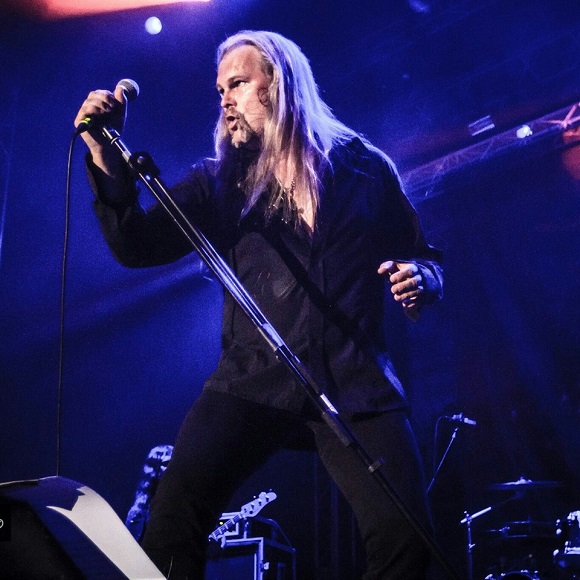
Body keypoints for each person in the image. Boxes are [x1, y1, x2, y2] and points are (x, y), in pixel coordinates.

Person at [74, 30, 444, 579]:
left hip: (354, 382)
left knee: (407, 540)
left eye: (238, 84)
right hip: (253, 380)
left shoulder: (365, 169)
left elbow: (423, 255)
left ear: (281, 84)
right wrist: (105, 155)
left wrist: (422, 277)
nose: (224, 99)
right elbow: (137, 246)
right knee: (173, 518)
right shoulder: (219, 181)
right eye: (220, 89)